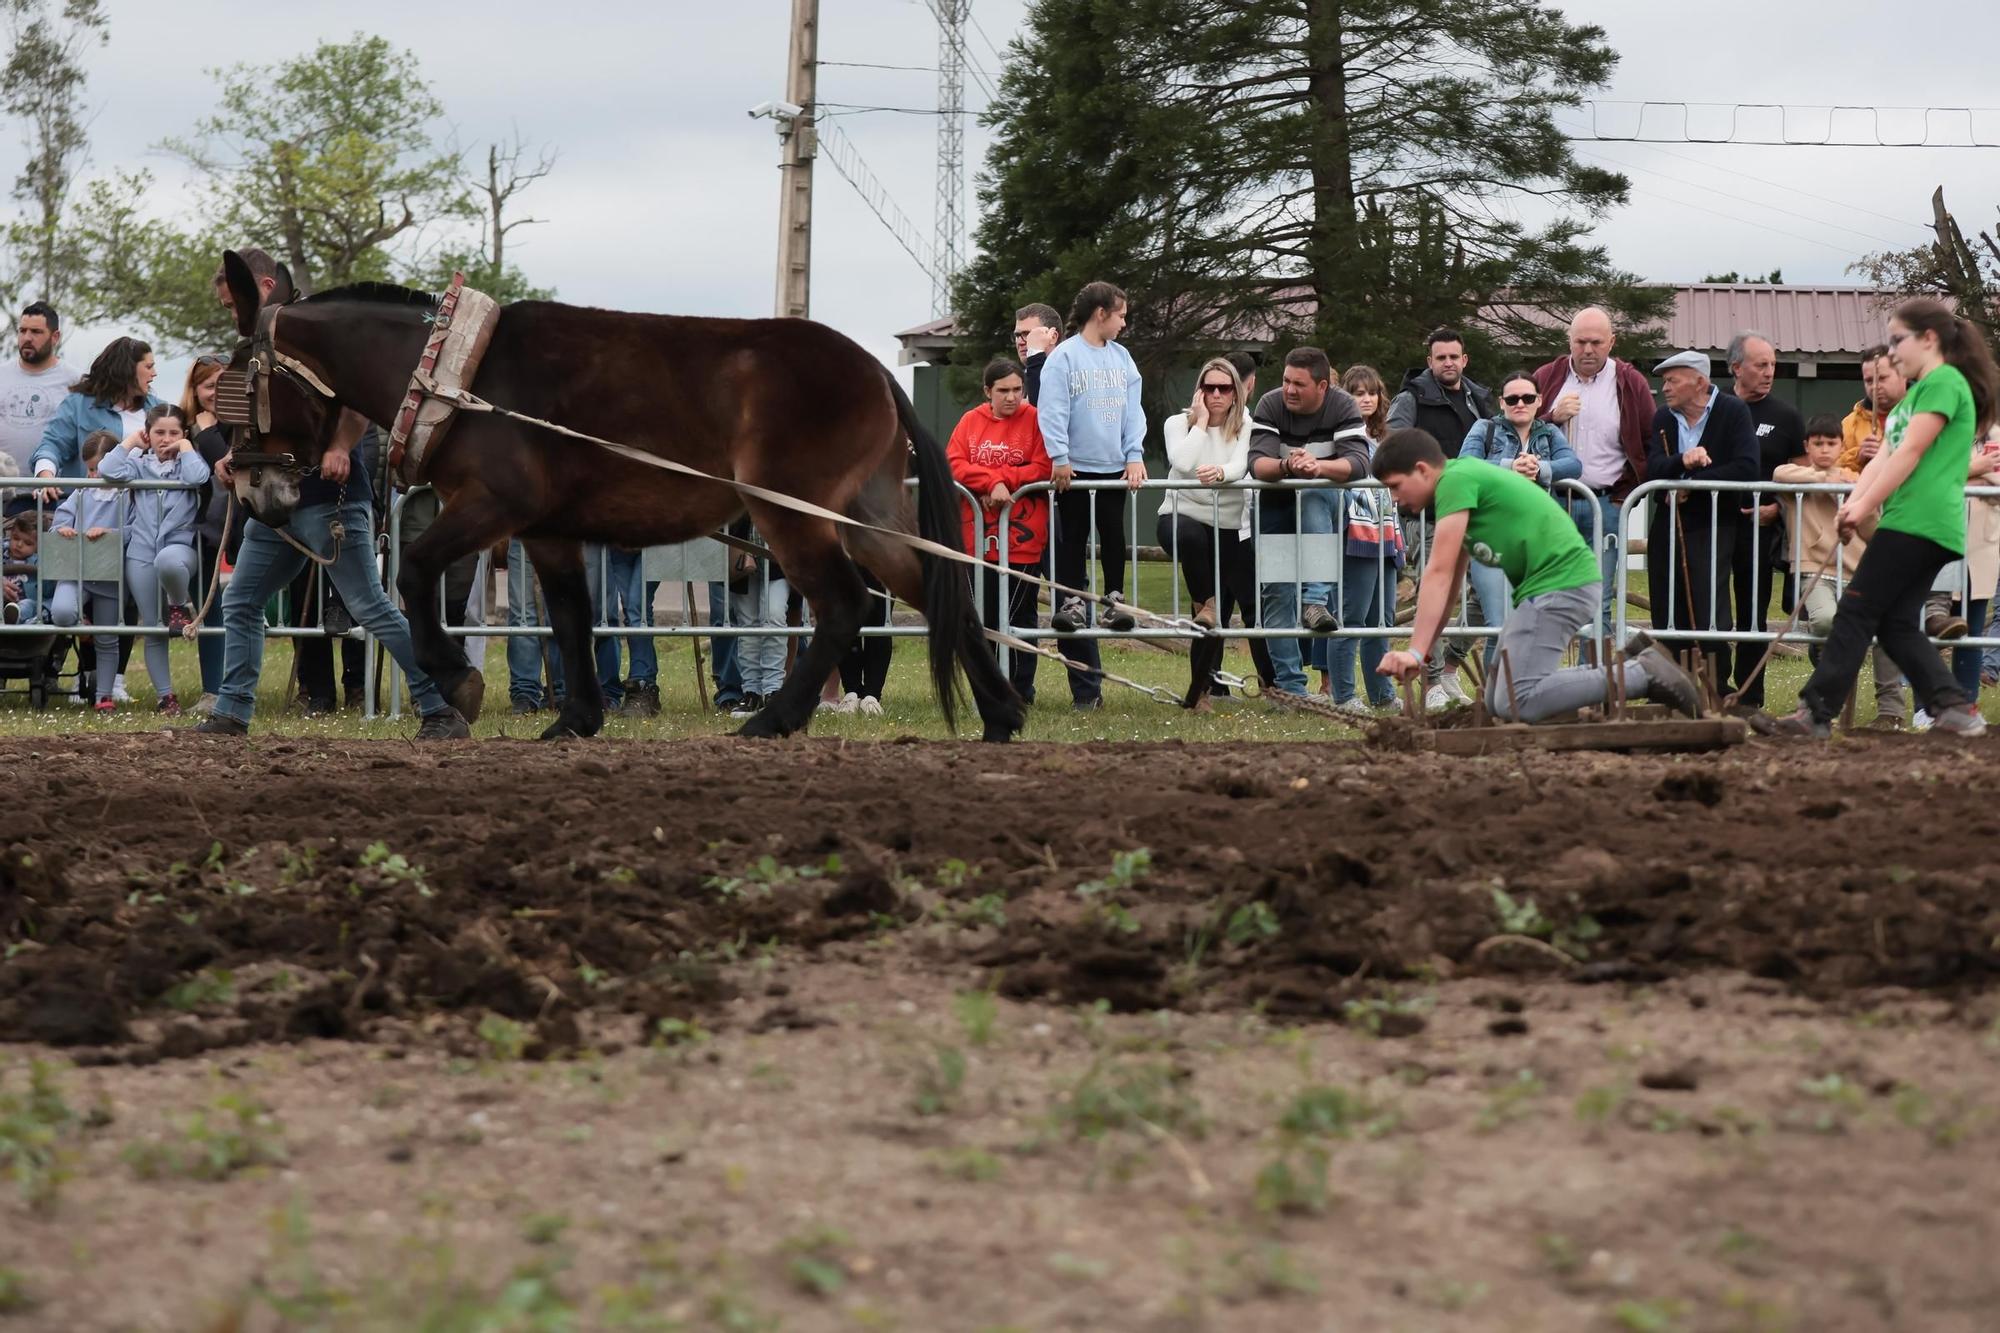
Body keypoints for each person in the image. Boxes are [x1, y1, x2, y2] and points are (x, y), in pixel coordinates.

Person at [190, 246, 469, 740]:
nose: (232, 316)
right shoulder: (265, 345)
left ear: (265, 287)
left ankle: (440, 706)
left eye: (234, 304)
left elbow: (363, 397)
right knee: (242, 602)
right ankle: (232, 713)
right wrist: (239, 459)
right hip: (276, 501)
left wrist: (341, 446)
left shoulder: (320, 330)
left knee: (370, 607)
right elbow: (262, 421)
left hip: (330, 499)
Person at [1772, 298, 1999, 739]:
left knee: (1855, 610)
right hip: (1912, 520)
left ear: (1928, 339)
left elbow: (1911, 454)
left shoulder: (1944, 383)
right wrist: (1855, 501)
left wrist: (1859, 506)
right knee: (1894, 623)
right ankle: (1954, 708)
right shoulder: (1915, 395)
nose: (1891, 352)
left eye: (1898, 340)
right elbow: (1884, 458)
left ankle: (1815, 713)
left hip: (1921, 519)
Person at [1372, 428, 1699, 721]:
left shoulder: (1453, 481)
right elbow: (1449, 583)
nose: (1395, 499)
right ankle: (1629, 664)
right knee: (1498, 701)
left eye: (1395, 487)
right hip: (1546, 589)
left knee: (1519, 700)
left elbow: (1437, 574)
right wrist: (1424, 650)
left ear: (1422, 470)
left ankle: (1642, 673)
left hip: (1562, 585)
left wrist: (1414, 651)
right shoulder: (1459, 482)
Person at [1037, 281, 1146, 711]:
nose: (1124, 322)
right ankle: (1072, 601)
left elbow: (1132, 411)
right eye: (1120, 314)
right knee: (1073, 537)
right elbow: (1054, 409)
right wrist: (1059, 456)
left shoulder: (1122, 358)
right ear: (1101, 313)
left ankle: (1114, 599)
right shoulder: (1064, 357)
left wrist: (1134, 455)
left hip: (1114, 466)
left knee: (1113, 534)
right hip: (1075, 469)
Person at [1533, 306, 1658, 650]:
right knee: (1545, 596)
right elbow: (1519, 429)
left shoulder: (1630, 382)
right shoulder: (1546, 378)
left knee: (1597, 599)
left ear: (1611, 342)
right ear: (1569, 341)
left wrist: (1627, 494)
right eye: (1581, 342)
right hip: (1552, 502)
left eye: (1596, 342)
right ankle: (1543, 684)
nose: (1588, 350)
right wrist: (1551, 416)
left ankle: (1592, 686)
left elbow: (1649, 441)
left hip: (1607, 503)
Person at [1248, 346, 1369, 697]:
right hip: (1274, 507)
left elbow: (1359, 463)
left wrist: (1318, 469)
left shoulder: (1343, 405)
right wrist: (1289, 467)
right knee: (1277, 593)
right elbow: (1257, 463)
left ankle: (1315, 600)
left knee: (1315, 494)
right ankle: (1291, 691)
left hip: (1322, 501)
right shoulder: (1270, 404)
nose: (1289, 390)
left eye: (1298, 384)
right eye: (1286, 381)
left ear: (1322, 386)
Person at [1645, 350, 1759, 690]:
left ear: (1700, 382)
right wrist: (1684, 460)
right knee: (1666, 602)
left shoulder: (1732, 411)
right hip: (1668, 521)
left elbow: (1747, 467)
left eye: (1672, 380)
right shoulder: (1663, 418)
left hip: (1713, 523)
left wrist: (1692, 485)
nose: (1665, 387)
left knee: (1709, 604)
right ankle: (1669, 688)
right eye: (1664, 380)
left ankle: (1715, 687)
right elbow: (1653, 466)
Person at [1456, 371, 1582, 667]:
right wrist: (1509, 466)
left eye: (1527, 398)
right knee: (1500, 626)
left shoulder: (1549, 433)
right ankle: (1496, 701)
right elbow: (1465, 465)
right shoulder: (1483, 428)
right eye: (1512, 399)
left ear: (1539, 401)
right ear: (1501, 403)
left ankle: (1522, 696)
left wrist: (1540, 469)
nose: (1520, 403)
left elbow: (1574, 465)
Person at [96, 406, 210, 715]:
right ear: (149, 433)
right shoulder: (139, 465)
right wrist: (131, 442)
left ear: (183, 435)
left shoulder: (187, 463)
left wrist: (186, 448)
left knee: (168, 561)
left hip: (179, 548)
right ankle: (166, 697)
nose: (166, 439)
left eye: (174, 432)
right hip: (141, 552)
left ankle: (178, 604)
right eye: (159, 432)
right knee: (154, 628)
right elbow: (108, 470)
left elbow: (200, 477)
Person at [950, 357, 1050, 705]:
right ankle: (987, 690)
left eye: (1017, 390)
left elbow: (1043, 465)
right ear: (987, 391)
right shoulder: (969, 422)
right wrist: (990, 482)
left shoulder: (1035, 420)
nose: (1011, 397)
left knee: (1019, 617)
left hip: (1022, 536)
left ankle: (1020, 692)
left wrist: (1002, 481)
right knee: (981, 617)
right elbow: (954, 463)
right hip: (975, 537)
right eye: (1003, 390)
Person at [1158, 357, 1253, 712]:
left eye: (1224, 388)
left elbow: (1241, 464)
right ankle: (1205, 602)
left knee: (1226, 617)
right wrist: (1199, 424)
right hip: (1180, 516)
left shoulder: (1245, 424)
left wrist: (1221, 473)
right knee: (1207, 599)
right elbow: (1181, 463)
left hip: (1227, 526)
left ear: (1235, 393)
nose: (1215, 394)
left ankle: (1201, 693)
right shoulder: (1177, 423)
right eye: (1208, 387)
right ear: (1199, 390)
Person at [1723, 332, 1805, 713]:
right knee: (1713, 612)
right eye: (1761, 365)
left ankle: (1751, 697)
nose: (1769, 372)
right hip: (1715, 527)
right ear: (1736, 367)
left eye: (1772, 364)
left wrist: (1779, 508)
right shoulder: (1715, 408)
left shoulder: (1786, 416)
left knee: (1752, 616)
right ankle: (1716, 687)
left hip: (1761, 533)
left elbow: (1805, 476)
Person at [1833, 345, 1911, 723]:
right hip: (1858, 533)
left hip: (1907, 526)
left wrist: (1889, 459)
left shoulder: (1921, 414)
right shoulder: (1851, 422)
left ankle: (1896, 708)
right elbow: (1831, 466)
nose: (1875, 386)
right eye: (1868, 379)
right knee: (1856, 614)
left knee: (1893, 618)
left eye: (1882, 378)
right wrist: (1858, 459)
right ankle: (1827, 708)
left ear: (1903, 376)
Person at [1324, 365, 1402, 715]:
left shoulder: (1386, 436)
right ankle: (1343, 694)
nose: (1366, 398)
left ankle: (1382, 693)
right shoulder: (1340, 438)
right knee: (1351, 617)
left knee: (1382, 618)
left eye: (1371, 392)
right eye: (1357, 393)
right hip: (1355, 532)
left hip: (1386, 531)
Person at [46, 431, 126, 712]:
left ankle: (104, 696)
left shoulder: (125, 496)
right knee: (63, 613)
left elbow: (134, 530)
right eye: (90, 469)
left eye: (99, 469)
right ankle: (84, 622)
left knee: (108, 638)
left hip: (108, 577)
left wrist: (110, 532)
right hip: (76, 571)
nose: (93, 475)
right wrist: (62, 530)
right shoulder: (81, 493)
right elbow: (59, 521)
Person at [1773, 417, 1869, 651]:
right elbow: (1779, 473)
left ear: (1841, 445)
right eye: (1817, 443)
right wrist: (1825, 479)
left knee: (1853, 630)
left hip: (1855, 567)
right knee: (1826, 620)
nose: (1824, 449)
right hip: (1814, 568)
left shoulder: (1855, 479)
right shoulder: (1798, 476)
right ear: (1806, 446)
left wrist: (1851, 491)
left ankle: (1838, 670)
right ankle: (1820, 648)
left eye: (1831, 443)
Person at [31, 336, 162, 491]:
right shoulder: (78, 405)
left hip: (142, 510)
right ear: (127, 368)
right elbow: (52, 445)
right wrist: (46, 478)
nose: (154, 373)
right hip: (89, 509)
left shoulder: (159, 409)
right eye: (148, 367)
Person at [180, 355, 231, 711]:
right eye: (209, 385)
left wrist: (207, 431)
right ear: (196, 391)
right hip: (204, 528)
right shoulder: (181, 429)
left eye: (223, 385)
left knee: (243, 609)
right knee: (209, 609)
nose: (216, 393)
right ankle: (212, 691)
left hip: (244, 526)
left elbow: (229, 463)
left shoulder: (245, 425)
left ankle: (238, 690)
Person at [0, 302, 81, 466]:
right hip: (4, 487)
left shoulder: (76, 381)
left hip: (52, 488)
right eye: (22, 331)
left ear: (55, 337)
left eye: (36, 332)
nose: (27, 338)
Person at [727, 518, 788, 719]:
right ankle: (751, 693)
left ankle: (773, 691)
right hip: (740, 554)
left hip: (780, 557)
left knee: (774, 617)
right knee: (748, 627)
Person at [1013, 302, 1063, 407]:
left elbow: (1043, 411)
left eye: (1027, 334)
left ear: (1053, 337)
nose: (1020, 342)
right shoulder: (1016, 381)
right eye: (1017, 335)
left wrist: (1035, 354)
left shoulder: (1069, 375)